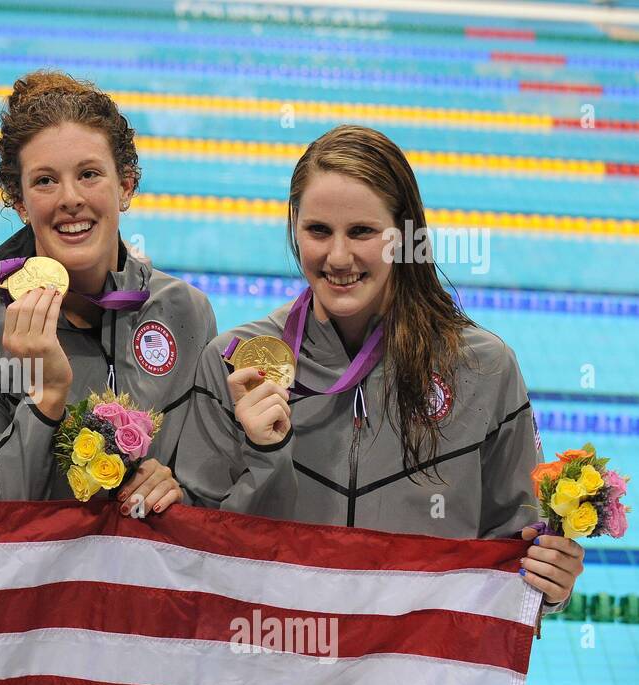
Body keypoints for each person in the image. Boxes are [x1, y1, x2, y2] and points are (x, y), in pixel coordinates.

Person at [178, 124, 581, 609]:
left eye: (363, 232)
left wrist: (550, 583)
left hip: (410, 676)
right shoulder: (233, 362)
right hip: (276, 665)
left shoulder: (484, 369)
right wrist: (265, 455)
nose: (339, 256)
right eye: (318, 231)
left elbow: (515, 548)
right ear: (295, 231)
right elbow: (193, 558)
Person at [0, 71, 217, 512]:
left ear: (125, 186)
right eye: (45, 181)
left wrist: (178, 490)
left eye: (89, 174)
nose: (70, 198)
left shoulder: (186, 314)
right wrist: (45, 399)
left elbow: (214, 500)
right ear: (19, 201)